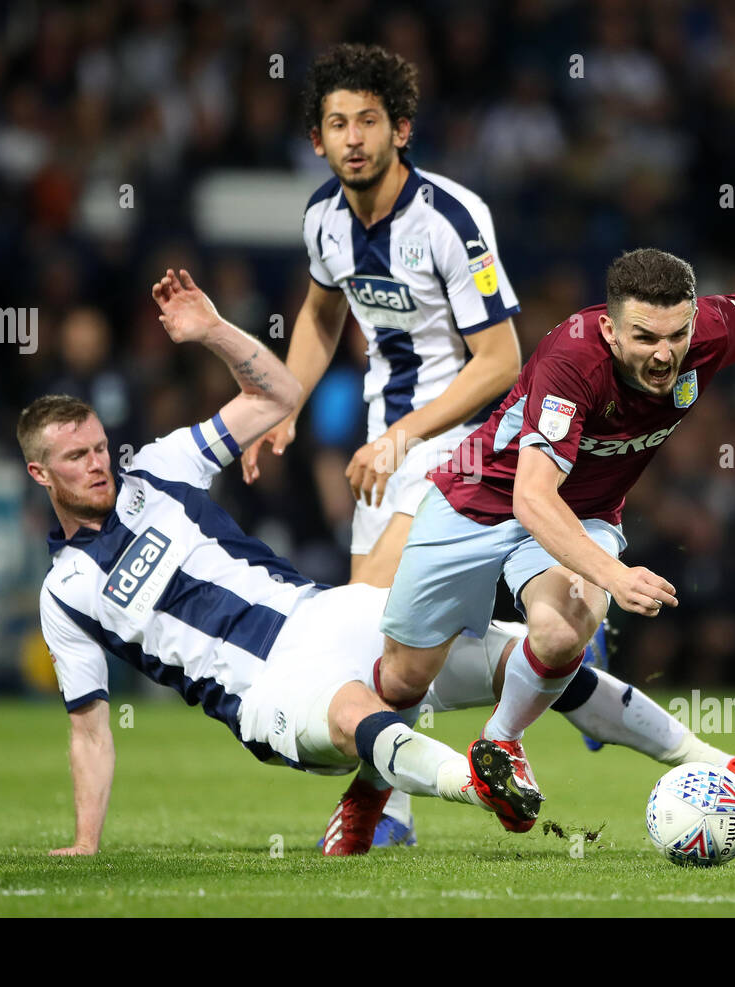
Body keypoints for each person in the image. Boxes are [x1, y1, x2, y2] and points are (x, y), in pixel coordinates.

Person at [26, 269, 735, 857]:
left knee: (542, 654)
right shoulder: (66, 591)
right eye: (76, 457)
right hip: (263, 685)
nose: (98, 464)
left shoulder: (157, 469)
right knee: (359, 706)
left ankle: (719, 761)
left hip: (324, 611)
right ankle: (482, 784)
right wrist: (87, 841)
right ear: (40, 474)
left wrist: (213, 331)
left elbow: (274, 395)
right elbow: (88, 726)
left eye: (99, 446)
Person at [372, 248, 735, 829]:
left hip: (582, 511)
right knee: (401, 678)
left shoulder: (708, 329)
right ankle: (530, 669)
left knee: (564, 629)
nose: (665, 355)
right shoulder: (573, 359)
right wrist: (614, 576)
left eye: (677, 334)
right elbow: (531, 498)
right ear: (610, 329)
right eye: (645, 338)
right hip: (477, 500)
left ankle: (499, 742)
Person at [240, 43, 523, 843]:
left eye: (369, 120)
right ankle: (554, 650)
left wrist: (404, 434)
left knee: (375, 610)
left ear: (401, 129)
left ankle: (384, 806)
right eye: (337, 123)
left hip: (460, 437)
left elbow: (502, 361)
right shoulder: (323, 221)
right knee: (411, 638)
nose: (354, 137)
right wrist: (283, 405)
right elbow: (322, 314)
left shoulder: (450, 219)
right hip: (384, 438)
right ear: (317, 141)